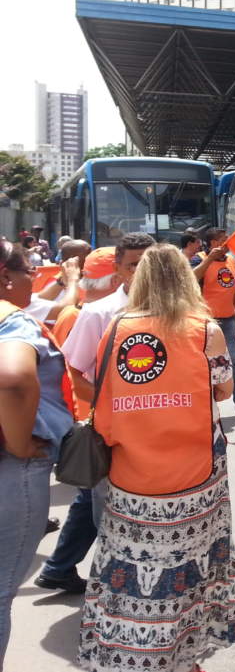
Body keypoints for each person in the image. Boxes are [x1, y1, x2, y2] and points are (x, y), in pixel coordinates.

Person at [78, 244, 235, 672]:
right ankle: (181, 655)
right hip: (196, 478)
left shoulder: (115, 329)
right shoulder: (204, 329)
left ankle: (129, 654)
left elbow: (99, 388)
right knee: (190, 571)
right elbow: (223, 389)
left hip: (130, 475)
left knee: (130, 571)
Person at [33, 247, 124, 596]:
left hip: (87, 420)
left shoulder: (80, 310)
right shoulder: (82, 315)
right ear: (115, 277)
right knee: (97, 502)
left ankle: (58, 567)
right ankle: (107, 585)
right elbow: (74, 374)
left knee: (87, 496)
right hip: (89, 422)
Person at [0, 240, 74, 666]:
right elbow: (12, 379)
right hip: (12, 469)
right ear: (6, 277)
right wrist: (19, 443)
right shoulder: (12, 323)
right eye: (29, 269)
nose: (34, 277)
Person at [63, 233, 156, 406]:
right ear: (116, 268)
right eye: (133, 266)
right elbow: (71, 375)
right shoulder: (97, 314)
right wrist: (115, 408)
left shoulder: (184, 311)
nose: (143, 272)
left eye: (151, 265)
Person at [195, 228, 235, 416]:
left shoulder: (231, 260)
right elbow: (190, 278)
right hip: (206, 321)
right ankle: (204, 406)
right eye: (223, 240)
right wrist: (208, 260)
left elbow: (231, 290)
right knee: (204, 364)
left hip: (228, 319)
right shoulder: (199, 259)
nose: (227, 243)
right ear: (214, 243)